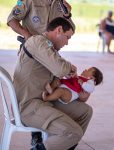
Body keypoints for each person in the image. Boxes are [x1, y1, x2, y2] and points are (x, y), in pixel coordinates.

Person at [13, 17, 93, 150]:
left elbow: (56, 76)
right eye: (67, 37)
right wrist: (69, 68)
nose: (67, 43)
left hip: (42, 100)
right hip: (28, 106)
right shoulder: (37, 41)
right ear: (59, 30)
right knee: (73, 132)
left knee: (85, 111)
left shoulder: (48, 47)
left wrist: (78, 90)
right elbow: (60, 69)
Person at [7, 0, 75, 149]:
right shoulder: (28, 1)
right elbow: (11, 20)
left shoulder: (60, 3)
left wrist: (67, 14)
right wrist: (28, 36)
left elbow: (69, 29)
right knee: (32, 90)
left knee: (47, 89)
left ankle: (57, 139)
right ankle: (37, 137)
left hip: (50, 55)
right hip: (33, 50)